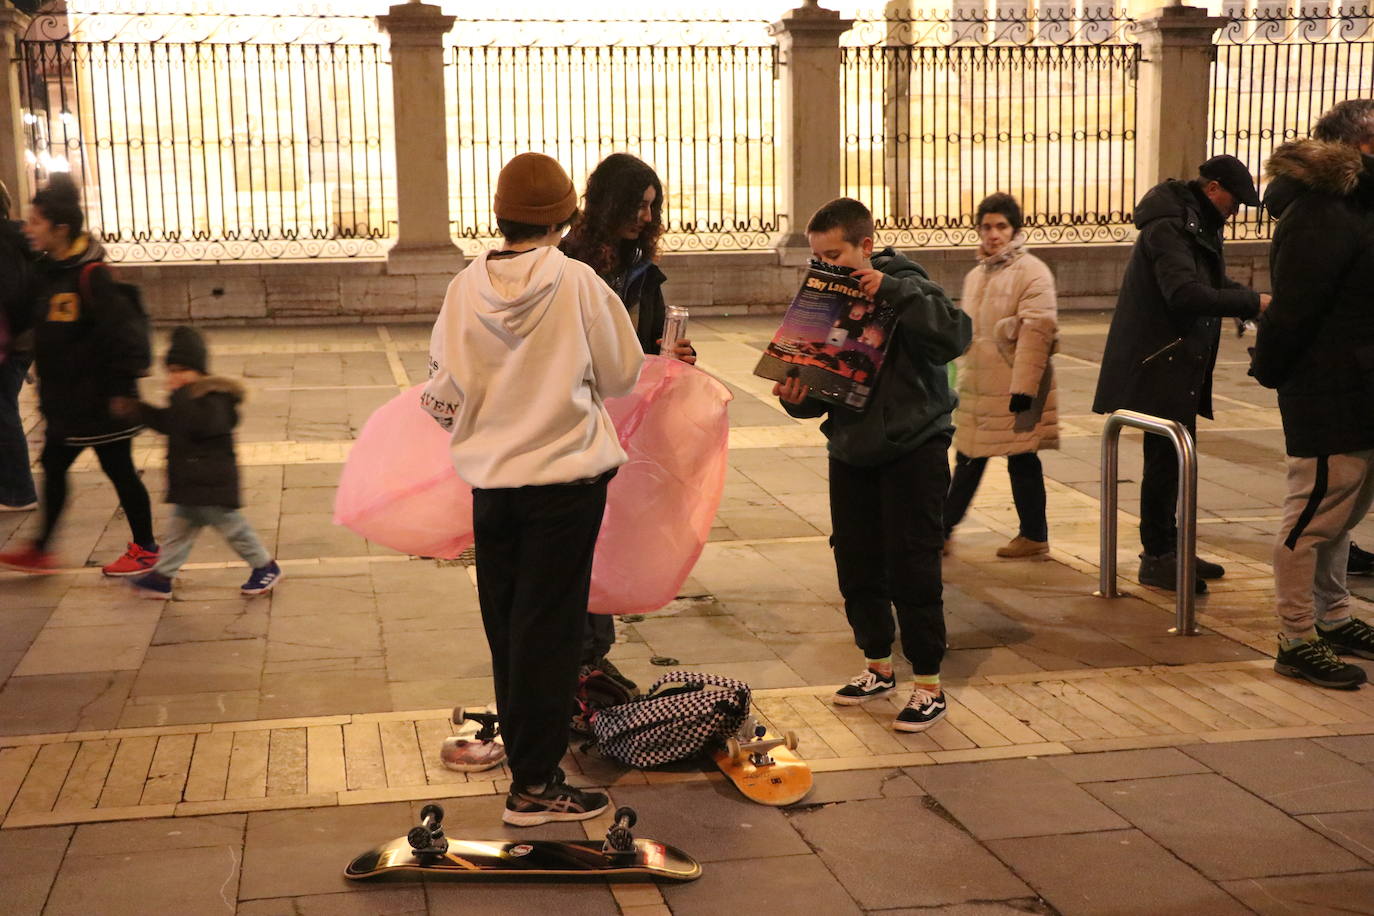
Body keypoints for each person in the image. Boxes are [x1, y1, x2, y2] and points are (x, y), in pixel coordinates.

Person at [421, 152, 643, 823]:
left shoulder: (465, 286)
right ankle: (536, 786)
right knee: (550, 633)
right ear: (566, 214)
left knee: (510, 630)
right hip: (564, 483)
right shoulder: (576, 283)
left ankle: (529, 770)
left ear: (501, 213)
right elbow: (622, 371)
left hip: (493, 488)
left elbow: (441, 390)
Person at [775, 197, 971, 732]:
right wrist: (794, 394)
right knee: (856, 560)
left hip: (914, 448)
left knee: (913, 563)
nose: (825, 267)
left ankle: (928, 683)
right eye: (817, 258)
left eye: (834, 254)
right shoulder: (827, 301)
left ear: (866, 245)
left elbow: (955, 335)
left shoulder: (908, 283)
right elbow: (818, 393)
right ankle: (877, 666)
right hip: (851, 450)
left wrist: (894, 292)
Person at [1092, 155, 1268, 594]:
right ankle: (1157, 558)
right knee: (1165, 461)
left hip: (1175, 361)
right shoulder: (1171, 225)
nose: (1236, 210)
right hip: (1158, 362)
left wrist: (1250, 299)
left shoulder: (1195, 222)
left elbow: (1211, 279)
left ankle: (1171, 548)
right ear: (1212, 189)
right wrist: (1252, 304)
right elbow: (1185, 293)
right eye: (1234, 200)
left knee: (1171, 461)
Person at [561, 152, 694, 697]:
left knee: (610, 537)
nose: (645, 216)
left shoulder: (644, 271)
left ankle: (594, 656)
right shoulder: (568, 264)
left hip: (626, 423)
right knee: (581, 541)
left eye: (652, 206)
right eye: (637, 204)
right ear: (608, 201)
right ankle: (577, 659)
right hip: (578, 420)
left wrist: (676, 356)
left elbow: (653, 344)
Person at [1251, 99, 1374, 689]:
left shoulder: (1358, 207)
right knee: (1312, 516)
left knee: (1344, 512)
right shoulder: (1323, 213)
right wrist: (1274, 371)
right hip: (1328, 387)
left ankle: (1334, 615)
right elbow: (1295, 311)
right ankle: (1296, 636)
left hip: (1362, 385)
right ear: (1361, 145)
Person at [0, 174, 157, 575]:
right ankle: (42, 549)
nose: (28, 228)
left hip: (100, 400)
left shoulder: (92, 275)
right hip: (67, 400)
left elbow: (121, 336)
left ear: (60, 229)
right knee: (55, 466)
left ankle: (145, 548)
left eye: (36, 221)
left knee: (119, 469)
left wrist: (122, 392)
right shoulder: (48, 271)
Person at [117, 326, 282, 598]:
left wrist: (180, 396)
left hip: (210, 483)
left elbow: (201, 424)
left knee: (234, 529)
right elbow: (169, 423)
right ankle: (162, 577)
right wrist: (139, 411)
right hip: (191, 483)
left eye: (182, 370)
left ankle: (265, 566)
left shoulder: (211, 398)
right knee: (178, 534)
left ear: (199, 371)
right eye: (171, 370)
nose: (175, 376)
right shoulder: (186, 399)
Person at [943, 193, 1058, 558]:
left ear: (1015, 230)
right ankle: (947, 529)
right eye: (986, 226)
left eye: (1001, 226)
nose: (993, 234)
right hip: (981, 385)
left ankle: (1031, 535)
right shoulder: (977, 274)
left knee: (1016, 456)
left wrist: (1023, 388)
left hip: (1013, 386)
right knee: (973, 456)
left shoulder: (1032, 272)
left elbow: (1037, 333)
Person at [0, 179, 38, 512]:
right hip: (23, 340)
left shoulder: (6, 241)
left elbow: (10, 292)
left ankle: (19, 492)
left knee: (2, 409)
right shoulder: (20, 236)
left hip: (10, 342)